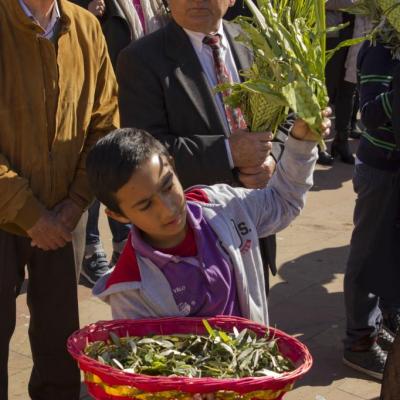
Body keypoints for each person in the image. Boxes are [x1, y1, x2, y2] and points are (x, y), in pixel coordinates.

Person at [117, 0, 292, 294]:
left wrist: (270, 156)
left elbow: (287, 115)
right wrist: (228, 153)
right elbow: (148, 152)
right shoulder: (141, 59)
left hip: (253, 223)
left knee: (254, 323)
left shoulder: (255, 43)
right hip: (188, 236)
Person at [88, 121, 329, 321]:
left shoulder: (225, 207)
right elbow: (154, 372)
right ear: (118, 216)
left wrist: (301, 144)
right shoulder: (131, 291)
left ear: (172, 165)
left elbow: (283, 202)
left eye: (168, 185)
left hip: (256, 375)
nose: (168, 208)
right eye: (145, 205)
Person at [0, 0, 118, 399]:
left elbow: (104, 124)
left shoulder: (84, 26)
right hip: (5, 214)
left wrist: (75, 203)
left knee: (59, 337)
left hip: (67, 216)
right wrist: (30, 214)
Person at [70, 0, 168, 284]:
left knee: (128, 170)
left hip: (139, 94)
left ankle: (123, 242)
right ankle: (90, 250)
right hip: (100, 96)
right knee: (98, 165)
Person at [343, 30, 400, 380]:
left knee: (388, 253)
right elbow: (370, 114)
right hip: (379, 169)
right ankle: (358, 341)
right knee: (365, 257)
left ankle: (382, 321)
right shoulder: (380, 50)